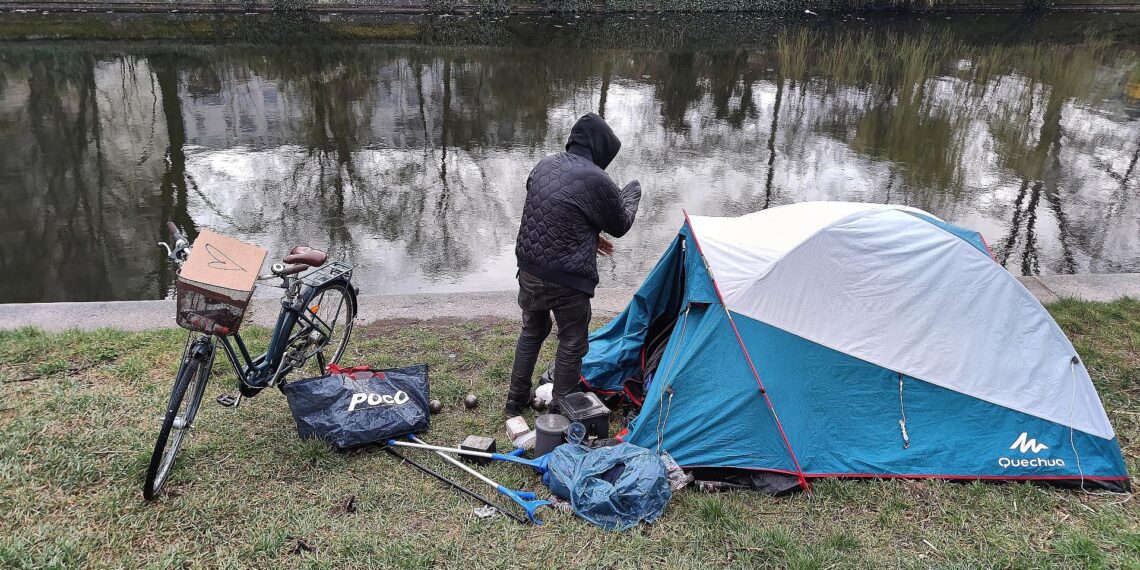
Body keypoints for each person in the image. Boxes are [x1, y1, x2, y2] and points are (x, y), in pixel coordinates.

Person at [505, 112, 642, 417]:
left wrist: (590, 239)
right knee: (572, 340)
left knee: (533, 330)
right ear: (601, 148)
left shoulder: (544, 166)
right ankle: (560, 411)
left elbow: (554, 213)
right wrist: (632, 191)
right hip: (567, 278)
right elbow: (620, 224)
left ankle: (515, 402)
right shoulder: (597, 178)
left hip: (529, 268)